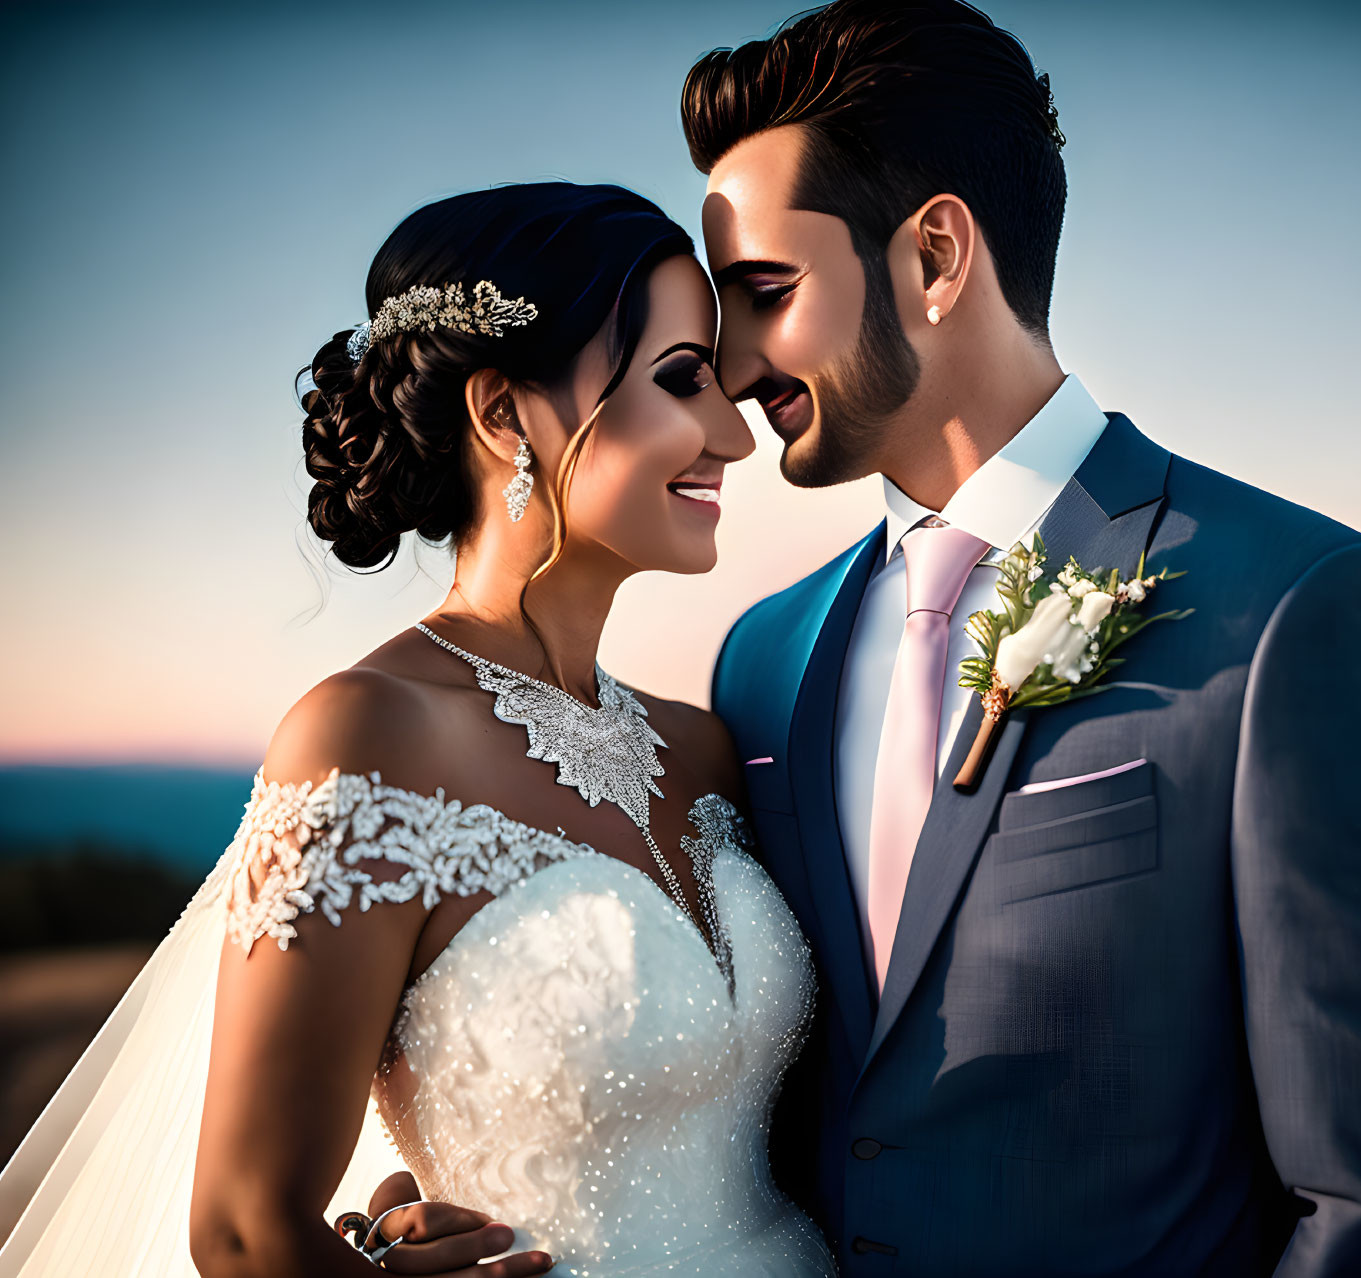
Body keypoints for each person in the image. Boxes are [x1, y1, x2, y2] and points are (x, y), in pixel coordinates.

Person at [385, 1, 1361, 1273]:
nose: (735, 364)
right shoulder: (761, 663)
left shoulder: (1308, 614)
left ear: (932, 257)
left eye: (764, 292)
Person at [0, 182, 838, 1277]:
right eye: (681, 380)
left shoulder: (705, 746)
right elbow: (248, 1228)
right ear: (502, 415)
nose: (731, 432)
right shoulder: (366, 737)